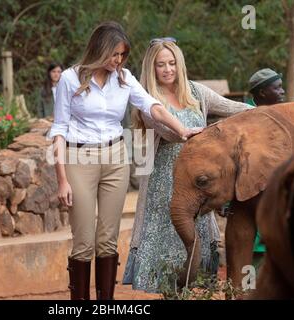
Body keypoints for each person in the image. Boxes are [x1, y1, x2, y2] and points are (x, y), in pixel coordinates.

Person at [48, 22, 202, 300]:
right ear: (99, 49)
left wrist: (182, 130)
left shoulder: (124, 78)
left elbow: (151, 106)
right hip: (78, 158)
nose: (118, 61)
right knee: (84, 242)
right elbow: (59, 129)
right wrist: (61, 180)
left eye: (122, 55)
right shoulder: (70, 79)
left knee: (107, 240)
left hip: (117, 157)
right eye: (114, 54)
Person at [122, 38, 253, 293]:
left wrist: (261, 112)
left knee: (198, 245)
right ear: (152, 68)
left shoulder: (196, 92)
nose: (168, 69)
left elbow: (230, 107)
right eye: (161, 65)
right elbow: (169, 133)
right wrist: (202, 132)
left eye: (172, 63)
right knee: (168, 248)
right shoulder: (147, 100)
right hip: (164, 183)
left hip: (197, 182)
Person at [248, 68, 285, 271]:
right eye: (277, 88)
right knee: (252, 249)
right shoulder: (243, 116)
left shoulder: (283, 115)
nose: (283, 92)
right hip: (251, 195)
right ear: (262, 93)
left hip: (276, 193)